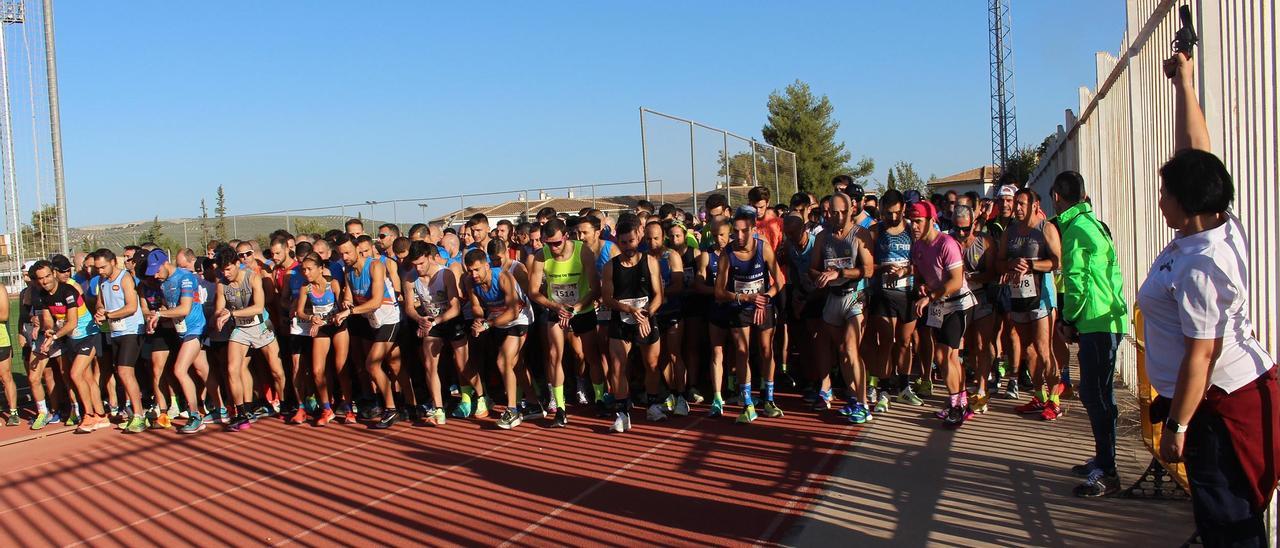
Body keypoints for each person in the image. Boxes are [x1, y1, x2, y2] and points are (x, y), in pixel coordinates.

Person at [1139, 52, 1278, 545]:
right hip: (1221, 400)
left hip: (1218, 408)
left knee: (1229, 524)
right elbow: (1197, 153)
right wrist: (1185, 85)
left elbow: (1203, 354)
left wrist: (1176, 427)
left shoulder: (1201, 264)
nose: (1160, 199)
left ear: (1187, 201)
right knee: (1227, 518)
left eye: (1165, 192)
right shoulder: (1215, 225)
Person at [1049, 170, 1129, 497]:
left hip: (1096, 322)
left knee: (1095, 396)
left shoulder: (1075, 231)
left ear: (1056, 197)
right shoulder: (1092, 224)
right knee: (1100, 395)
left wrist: (1069, 319)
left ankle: (1108, 470)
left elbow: (1077, 283)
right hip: (1107, 320)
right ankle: (1104, 457)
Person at [908, 201, 975, 427]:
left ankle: (957, 406)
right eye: (912, 221)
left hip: (958, 304)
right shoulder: (916, 246)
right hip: (938, 305)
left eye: (918, 221)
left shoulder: (946, 243)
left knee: (945, 357)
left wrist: (930, 296)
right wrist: (922, 287)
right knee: (947, 357)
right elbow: (919, 273)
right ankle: (960, 401)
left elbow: (956, 281)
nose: (914, 226)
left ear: (931, 220)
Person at [715, 206, 784, 424]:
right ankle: (747, 403)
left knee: (766, 350)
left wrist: (766, 297)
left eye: (745, 231)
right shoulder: (728, 253)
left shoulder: (763, 248)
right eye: (736, 231)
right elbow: (719, 292)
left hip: (763, 305)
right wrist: (744, 298)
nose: (740, 236)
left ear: (754, 229)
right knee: (742, 351)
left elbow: (779, 281)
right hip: (739, 306)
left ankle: (769, 399)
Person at [527, 219, 598, 428]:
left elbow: (595, 287)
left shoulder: (582, 251)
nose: (553, 248)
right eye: (548, 243)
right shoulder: (541, 256)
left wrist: (575, 308)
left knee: (590, 355)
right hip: (556, 311)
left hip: (581, 309)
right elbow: (533, 292)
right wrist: (555, 307)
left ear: (566, 236)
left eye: (557, 243)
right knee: (554, 356)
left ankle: (601, 398)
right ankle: (560, 408)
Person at [999, 189, 1063, 420]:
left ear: (1035, 205)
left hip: (1042, 296)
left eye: (1022, 204)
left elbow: (1057, 261)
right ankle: (1039, 395)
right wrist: (1011, 263)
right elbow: (999, 261)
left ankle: (1054, 400)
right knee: (1028, 349)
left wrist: (1032, 264)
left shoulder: (1046, 228)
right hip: (1018, 295)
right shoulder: (1011, 232)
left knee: (1044, 348)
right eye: (1016, 203)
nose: (1017, 208)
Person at [810, 193, 874, 423]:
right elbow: (812, 268)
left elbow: (868, 269)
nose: (833, 216)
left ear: (850, 210)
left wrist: (841, 273)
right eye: (829, 212)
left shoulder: (860, 234)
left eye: (838, 212)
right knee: (843, 353)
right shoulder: (822, 237)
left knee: (850, 349)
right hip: (833, 298)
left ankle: (864, 403)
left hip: (855, 296)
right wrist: (821, 277)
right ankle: (853, 398)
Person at [214, 246, 286, 432]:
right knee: (232, 369)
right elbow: (219, 308)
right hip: (240, 329)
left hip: (261, 326)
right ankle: (241, 413)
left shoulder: (252, 277)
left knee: (276, 370)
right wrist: (220, 314)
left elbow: (258, 307)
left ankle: (286, 403)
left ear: (238, 264)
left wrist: (231, 313)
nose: (226, 273)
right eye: (222, 270)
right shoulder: (222, 284)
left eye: (229, 269)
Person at [463, 246, 534, 430]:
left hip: (519, 318)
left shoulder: (503, 277)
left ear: (487, 265)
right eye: (470, 271)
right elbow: (477, 307)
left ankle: (512, 411)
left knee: (503, 361)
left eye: (477, 269)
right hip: (496, 320)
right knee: (515, 365)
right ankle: (534, 403)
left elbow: (513, 311)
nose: (474, 274)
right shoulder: (470, 282)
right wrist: (480, 321)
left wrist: (488, 324)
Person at [601, 219, 663, 431]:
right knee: (618, 366)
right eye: (624, 242)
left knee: (652, 364)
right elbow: (607, 299)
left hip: (646, 317)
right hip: (622, 320)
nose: (629, 246)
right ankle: (622, 413)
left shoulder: (650, 262)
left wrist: (645, 315)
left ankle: (653, 405)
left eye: (632, 241)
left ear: (639, 237)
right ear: (618, 241)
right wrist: (629, 310)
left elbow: (658, 297)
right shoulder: (611, 267)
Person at [864, 190, 924, 409]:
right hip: (883, 294)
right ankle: (883, 389)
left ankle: (905, 387)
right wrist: (883, 268)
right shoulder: (874, 231)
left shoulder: (912, 229)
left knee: (905, 342)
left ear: (903, 210)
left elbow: (922, 262)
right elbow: (867, 267)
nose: (892, 217)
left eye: (896, 213)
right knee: (886, 342)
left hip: (907, 293)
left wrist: (907, 271)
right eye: (888, 213)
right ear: (881, 209)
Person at [337, 233, 403, 429]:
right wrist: (347, 303)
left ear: (358, 249)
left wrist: (349, 311)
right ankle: (406, 404)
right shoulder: (349, 273)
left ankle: (391, 410)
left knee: (372, 365)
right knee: (395, 365)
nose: (345, 257)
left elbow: (375, 302)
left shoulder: (375, 266)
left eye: (348, 252)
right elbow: (348, 297)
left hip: (390, 319)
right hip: (373, 323)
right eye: (341, 254)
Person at [404, 242, 465, 426]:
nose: (418, 268)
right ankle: (438, 408)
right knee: (430, 363)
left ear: (430, 257)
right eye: (415, 264)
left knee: (463, 364)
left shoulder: (444, 274)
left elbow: (455, 307)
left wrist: (436, 321)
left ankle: (477, 395)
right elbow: (408, 307)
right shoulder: (409, 278)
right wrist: (419, 319)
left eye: (421, 263)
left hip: (450, 319)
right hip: (431, 323)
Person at [92, 249, 148, 433]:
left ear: (113, 263)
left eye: (103, 267)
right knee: (122, 373)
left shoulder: (124, 278)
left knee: (124, 372)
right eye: (97, 267)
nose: (100, 271)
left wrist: (109, 315)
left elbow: (132, 306)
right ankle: (135, 414)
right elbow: (100, 302)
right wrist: (100, 311)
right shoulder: (102, 281)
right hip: (116, 332)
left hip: (132, 330)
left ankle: (139, 415)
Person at [952, 206, 998, 413]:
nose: (961, 234)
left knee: (982, 343)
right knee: (968, 344)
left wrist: (971, 277)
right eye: (957, 229)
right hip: (959, 299)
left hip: (981, 297)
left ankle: (981, 388)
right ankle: (968, 387)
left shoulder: (985, 242)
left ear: (974, 224)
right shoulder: (950, 242)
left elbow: (992, 273)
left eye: (966, 229)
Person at [644, 221, 687, 417]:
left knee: (674, 354)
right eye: (649, 238)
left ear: (664, 237)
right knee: (658, 358)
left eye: (656, 238)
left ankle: (682, 396)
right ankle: (668, 393)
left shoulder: (672, 256)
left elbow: (678, 285)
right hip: (654, 314)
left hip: (672, 311)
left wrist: (657, 294)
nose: (652, 243)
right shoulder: (643, 257)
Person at [0, 281, 16, 426]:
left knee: (6, 377)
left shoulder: (0, 288)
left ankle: (13, 413)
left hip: (1, 340)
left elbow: (4, 314)